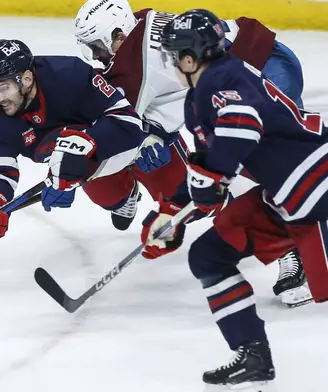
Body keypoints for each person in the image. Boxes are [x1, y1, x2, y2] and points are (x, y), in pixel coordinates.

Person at [73, 0, 310, 307]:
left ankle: (295, 253)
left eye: (97, 47)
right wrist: (157, 133)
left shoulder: (132, 66)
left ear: (117, 35)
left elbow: (123, 128)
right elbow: (171, 90)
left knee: (267, 167)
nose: (97, 57)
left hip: (264, 69)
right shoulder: (140, 24)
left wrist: (72, 171)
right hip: (261, 62)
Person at [148, 9, 328, 386]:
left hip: (316, 183)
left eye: (171, 55)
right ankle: (253, 355)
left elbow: (242, 127)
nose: (168, 63)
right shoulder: (202, 93)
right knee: (209, 255)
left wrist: (214, 177)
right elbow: (208, 163)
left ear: (188, 57)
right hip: (291, 194)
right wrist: (172, 212)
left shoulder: (223, 77)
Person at [0, 38, 148, 240]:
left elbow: (128, 124)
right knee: (111, 197)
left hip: (107, 139)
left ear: (26, 79)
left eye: (3, 88)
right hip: (80, 161)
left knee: (171, 184)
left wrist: (83, 148)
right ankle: (126, 193)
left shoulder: (70, 75)